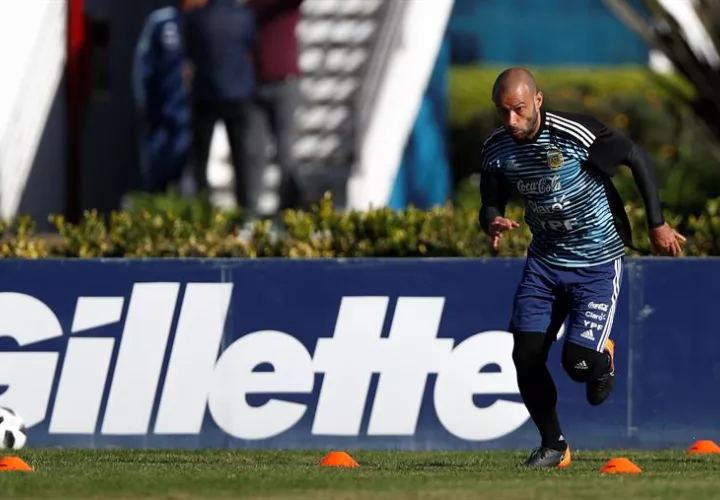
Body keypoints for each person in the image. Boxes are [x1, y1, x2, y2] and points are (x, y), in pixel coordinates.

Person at [478, 68, 686, 468]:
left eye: (519, 110)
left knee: (577, 366)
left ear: (537, 100)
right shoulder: (498, 149)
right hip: (544, 264)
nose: (511, 122)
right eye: (502, 113)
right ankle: (554, 446)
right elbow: (491, 199)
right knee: (525, 356)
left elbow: (634, 156)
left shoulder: (574, 134)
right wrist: (492, 219)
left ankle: (602, 358)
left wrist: (656, 224)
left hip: (595, 264)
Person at [184, 0, 256, 210]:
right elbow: (250, 45)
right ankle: (245, 208)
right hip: (238, 94)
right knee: (241, 157)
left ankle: (202, 209)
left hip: (206, 93)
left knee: (201, 159)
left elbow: (190, 49)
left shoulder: (197, 17)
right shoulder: (244, 17)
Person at [132, 0, 202, 194]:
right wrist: (141, 98)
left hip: (189, 109)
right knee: (157, 162)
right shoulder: (161, 21)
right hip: (160, 107)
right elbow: (142, 62)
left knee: (186, 164)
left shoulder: (201, 18)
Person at [247, 0, 304, 212]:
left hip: (284, 83)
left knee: (285, 151)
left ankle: (289, 207)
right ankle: (251, 210)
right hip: (256, 84)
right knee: (254, 153)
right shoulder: (250, 8)